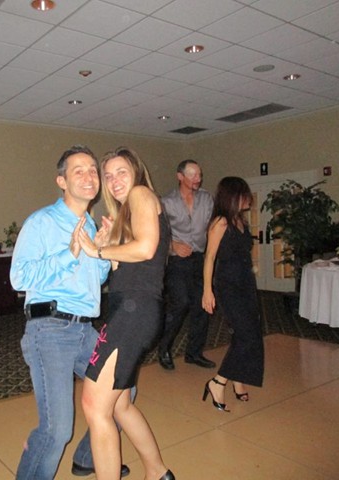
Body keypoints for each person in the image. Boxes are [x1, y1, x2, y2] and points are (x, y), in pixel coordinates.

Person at [10, 145, 130, 479]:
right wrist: (70, 252)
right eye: (79, 170)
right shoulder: (42, 222)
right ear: (61, 181)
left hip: (84, 329)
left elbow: (94, 280)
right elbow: (19, 277)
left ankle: (88, 458)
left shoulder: (90, 225)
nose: (90, 176)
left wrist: (102, 252)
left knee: (124, 392)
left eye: (93, 170)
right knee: (56, 429)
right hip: (50, 329)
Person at [77, 147, 175, 480]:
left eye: (121, 172)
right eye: (108, 175)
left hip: (134, 313)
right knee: (119, 405)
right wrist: (109, 246)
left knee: (95, 406)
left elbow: (146, 248)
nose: (114, 180)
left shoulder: (140, 194)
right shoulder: (127, 212)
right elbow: (127, 268)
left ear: (136, 172)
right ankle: (158, 472)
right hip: (133, 310)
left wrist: (98, 249)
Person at [201, 176, 264, 412]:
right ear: (233, 196)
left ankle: (238, 379)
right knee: (246, 335)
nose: (249, 199)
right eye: (244, 194)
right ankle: (218, 382)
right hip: (228, 285)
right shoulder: (221, 222)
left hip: (246, 282)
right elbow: (209, 258)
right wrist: (207, 290)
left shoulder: (240, 220)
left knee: (250, 332)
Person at [158, 159, 216, 370]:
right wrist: (173, 245)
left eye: (199, 175)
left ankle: (194, 353)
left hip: (200, 259)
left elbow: (213, 227)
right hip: (177, 261)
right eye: (192, 175)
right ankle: (164, 347)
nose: (197, 179)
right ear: (180, 176)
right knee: (180, 303)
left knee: (203, 305)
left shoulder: (207, 199)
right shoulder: (166, 202)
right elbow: (158, 233)